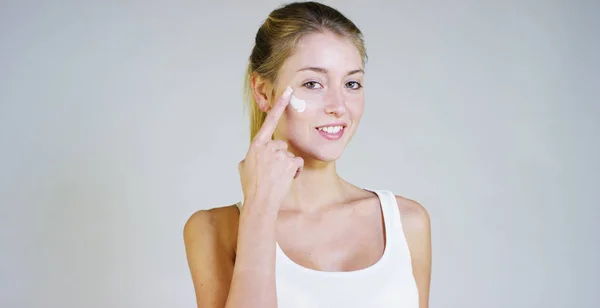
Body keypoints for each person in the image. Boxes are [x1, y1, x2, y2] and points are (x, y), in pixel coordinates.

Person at [183, 1, 431, 307]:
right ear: (263, 91)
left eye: (352, 83)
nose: (339, 106)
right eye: (313, 83)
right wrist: (259, 211)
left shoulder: (406, 223)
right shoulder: (213, 230)